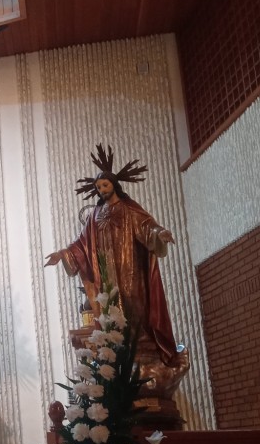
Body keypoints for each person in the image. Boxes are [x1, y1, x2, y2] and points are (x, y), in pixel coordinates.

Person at [45, 148, 179, 366]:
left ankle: (141, 345)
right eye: (98, 188)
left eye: (105, 186)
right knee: (111, 308)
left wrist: (159, 233)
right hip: (105, 274)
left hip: (130, 268)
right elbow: (81, 243)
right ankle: (116, 347)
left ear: (114, 185)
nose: (101, 190)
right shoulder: (94, 215)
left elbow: (147, 226)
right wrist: (62, 254)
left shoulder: (129, 209)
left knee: (134, 302)